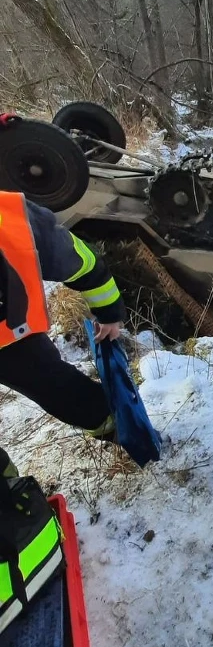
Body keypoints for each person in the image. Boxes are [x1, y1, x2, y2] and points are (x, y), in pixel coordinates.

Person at [0, 186, 124, 454]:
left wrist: (109, 314)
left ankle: (116, 428)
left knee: (58, 389)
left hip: (9, 340)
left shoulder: (10, 220)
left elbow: (83, 263)